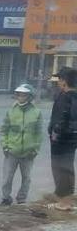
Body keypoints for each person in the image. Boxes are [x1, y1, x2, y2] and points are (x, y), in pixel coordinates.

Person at [0, 83, 43, 205]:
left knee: (26, 178)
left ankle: (21, 198)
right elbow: (4, 130)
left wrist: (35, 149)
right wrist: (5, 146)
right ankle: (6, 198)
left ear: (29, 96)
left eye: (23, 95)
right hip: (12, 151)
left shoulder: (36, 112)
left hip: (28, 152)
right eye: (19, 94)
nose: (20, 97)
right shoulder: (11, 111)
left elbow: (39, 133)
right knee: (7, 178)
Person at [48, 66, 77, 197]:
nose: (58, 82)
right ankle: (65, 193)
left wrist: (56, 133)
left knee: (60, 167)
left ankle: (63, 195)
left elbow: (62, 120)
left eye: (59, 79)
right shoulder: (69, 96)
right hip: (69, 139)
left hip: (62, 140)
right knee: (66, 166)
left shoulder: (66, 97)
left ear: (65, 81)